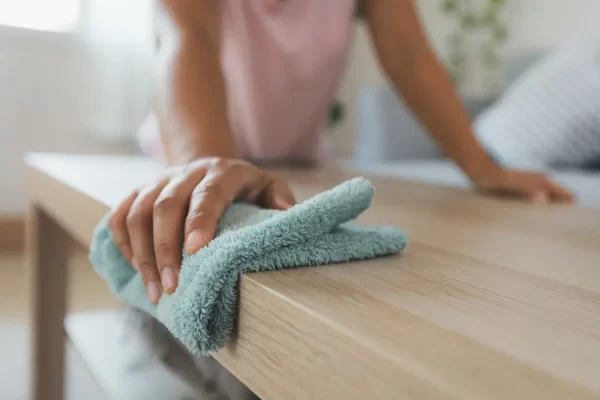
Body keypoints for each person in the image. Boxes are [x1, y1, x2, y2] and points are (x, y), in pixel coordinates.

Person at [107, 1, 575, 398]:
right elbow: (189, 39)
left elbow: (409, 56)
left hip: (296, 168)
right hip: (185, 156)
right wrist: (205, 164)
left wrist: (483, 167)